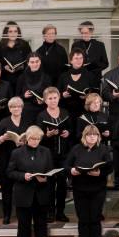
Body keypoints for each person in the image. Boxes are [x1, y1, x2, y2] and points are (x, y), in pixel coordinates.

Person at [65, 122, 110, 237]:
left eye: (94, 135)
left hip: (98, 189)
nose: (92, 137)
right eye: (89, 135)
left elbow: (110, 167)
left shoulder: (103, 149)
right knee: (83, 220)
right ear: (84, 136)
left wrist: (100, 173)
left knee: (95, 220)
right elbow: (66, 165)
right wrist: (71, 170)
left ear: (98, 136)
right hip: (80, 188)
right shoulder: (76, 149)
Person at [36, 87, 71, 221]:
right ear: (45, 100)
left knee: (62, 184)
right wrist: (47, 135)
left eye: (55, 98)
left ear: (59, 98)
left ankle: (60, 212)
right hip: (48, 155)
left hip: (63, 154)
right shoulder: (41, 115)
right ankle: (50, 212)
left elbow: (71, 129)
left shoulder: (65, 112)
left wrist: (68, 133)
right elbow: (38, 136)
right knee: (49, 185)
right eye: (50, 98)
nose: (53, 101)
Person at [0, 96, 30, 224]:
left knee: (23, 189)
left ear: (22, 108)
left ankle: (23, 216)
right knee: (6, 189)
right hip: (6, 159)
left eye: (18, 106)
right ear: (9, 109)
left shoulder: (27, 122)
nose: (16, 109)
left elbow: (34, 139)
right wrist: (2, 138)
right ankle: (7, 215)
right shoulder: (3, 122)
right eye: (13, 107)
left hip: (23, 159)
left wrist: (25, 141)